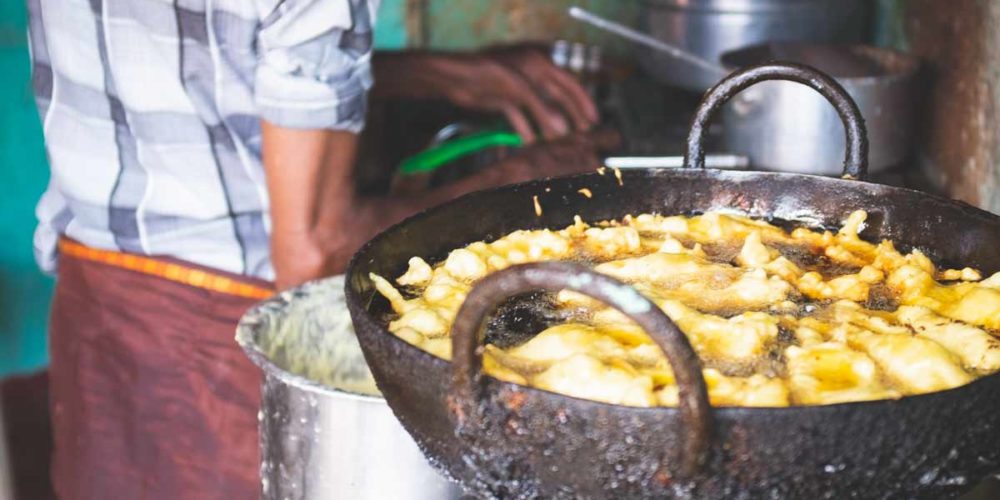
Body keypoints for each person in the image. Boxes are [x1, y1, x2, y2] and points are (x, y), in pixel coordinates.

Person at [27, 0, 611, 497]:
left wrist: (448, 74)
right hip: (223, 353)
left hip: (95, 317)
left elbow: (191, 62)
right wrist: (533, 180)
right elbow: (314, 253)